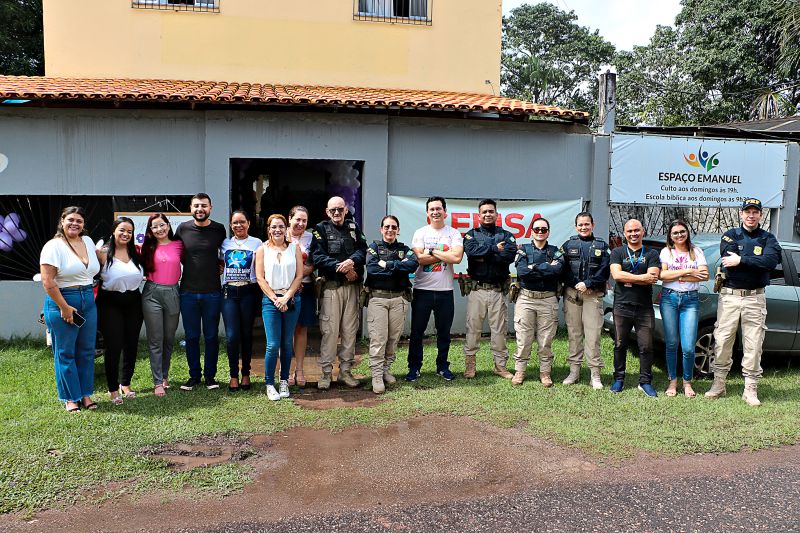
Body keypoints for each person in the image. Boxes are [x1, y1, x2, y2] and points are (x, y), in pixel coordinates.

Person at [706, 198, 781, 406]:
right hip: (730, 297)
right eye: (747, 211)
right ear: (741, 214)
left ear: (760, 215)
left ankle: (750, 389)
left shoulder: (769, 239)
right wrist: (753, 263)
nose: (751, 215)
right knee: (722, 341)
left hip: (755, 298)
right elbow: (727, 259)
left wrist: (742, 260)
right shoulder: (730, 235)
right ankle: (719, 384)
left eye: (755, 212)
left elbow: (771, 262)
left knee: (754, 344)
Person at [39, 206, 101, 412]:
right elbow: (48, 282)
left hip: (88, 299)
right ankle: (70, 397)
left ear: (84, 224)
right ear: (62, 221)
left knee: (86, 351)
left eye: (79, 221)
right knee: (65, 352)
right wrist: (64, 308)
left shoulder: (89, 242)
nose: (75, 224)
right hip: (63, 299)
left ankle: (85, 394)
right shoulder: (53, 246)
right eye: (71, 220)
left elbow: (93, 268)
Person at [310, 196, 368, 390]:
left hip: (352, 288)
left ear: (345, 210)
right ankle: (326, 373)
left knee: (350, 331)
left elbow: (363, 251)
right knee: (330, 331)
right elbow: (317, 257)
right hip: (332, 288)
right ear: (327, 211)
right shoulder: (320, 230)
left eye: (340, 209)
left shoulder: (353, 228)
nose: (337, 213)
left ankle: (345, 371)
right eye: (333, 210)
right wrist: (342, 267)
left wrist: (352, 263)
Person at [407, 196, 464, 381]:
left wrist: (431, 251)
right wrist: (444, 254)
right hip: (422, 290)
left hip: (445, 291)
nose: (435, 212)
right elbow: (420, 260)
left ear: (445, 212)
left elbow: (457, 258)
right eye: (432, 209)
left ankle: (442, 366)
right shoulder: (420, 233)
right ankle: (414, 367)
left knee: (444, 332)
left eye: (438, 209)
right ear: (427, 213)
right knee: (417, 332)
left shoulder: (454, 233)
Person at [176, 193, 227, 391]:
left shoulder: (219, 229)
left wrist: (221, 264)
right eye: (196, 206)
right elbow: (177, 254)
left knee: (212, 336)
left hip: (212, 292)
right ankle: (194, 376)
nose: (200, 209)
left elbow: (225, 252)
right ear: (190, 208)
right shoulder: (182, 229)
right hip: (188, 292)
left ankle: (210, 377)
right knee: (191, 336)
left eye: (204, 206)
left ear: (210, 208)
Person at [462, 199, 517, 379]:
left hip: (497, 290)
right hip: (477, 290)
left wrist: (485, 255)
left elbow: (508, 257)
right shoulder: (471, 235)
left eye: (491, 211)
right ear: (479, 215)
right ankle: (470, 365)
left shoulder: (506, 235)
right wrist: (494, 249)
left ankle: (500, 366)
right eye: (484, 212)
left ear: (496, 214)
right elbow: (471, 253)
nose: (487, 214)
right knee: (473, 329)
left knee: (499, 330)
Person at [365, 216, 418, 393]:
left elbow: (412, 265)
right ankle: (377, 376)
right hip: (378, 299)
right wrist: (398, 267)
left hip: (399, 299)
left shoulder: (404, 249)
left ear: (398, 230)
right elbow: (372, 270)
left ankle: (386, 369)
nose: (390, 230)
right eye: (386, 227)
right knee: (378, 339)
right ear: (381, 229)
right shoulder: (373, 248)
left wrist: (386, 264)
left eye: (393, 227)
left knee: (394, 338)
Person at [609, 219, 661, 397]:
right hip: (622, 305)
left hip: (644, 307)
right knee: (620, 344)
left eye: (636, 230)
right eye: (629, 231)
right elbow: (616, 275)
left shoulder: (652, 253)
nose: (633, 234)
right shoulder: (617, 252)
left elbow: (653, 276)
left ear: (643, 231)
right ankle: (619, 379)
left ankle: (645, 382)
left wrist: (628, 276)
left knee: (646, 346)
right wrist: (641, 278)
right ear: (624, 233)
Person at [96, 216, 144, 405]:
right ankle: (113, 389)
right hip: (109, 303)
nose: (125, 234)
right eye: (122, 230)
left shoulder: (136, 253)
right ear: (114, 231)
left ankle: (126, 383)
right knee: (114, 346)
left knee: (131, 344)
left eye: (129, 231)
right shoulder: (103, 253)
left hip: (133, 301)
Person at [255, 214, 304, 401]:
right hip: (270, 300)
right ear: (269, 229)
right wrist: (276, 299)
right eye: (274, 226)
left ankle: (284, 380)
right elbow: (260, 277)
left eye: (281, 226)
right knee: (273, 344)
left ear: (286, 228)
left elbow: (299, 276)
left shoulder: (294, 248)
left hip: (291, 299)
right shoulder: (262, 250)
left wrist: (287, 297)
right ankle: (269, 384)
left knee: (286, 343)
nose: (278, 230)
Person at [511, 217, 564, 386]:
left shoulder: (556, 251)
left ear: (548, 232)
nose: (540, 232)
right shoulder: (523, 249)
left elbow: (557, 271)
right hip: (526, 298)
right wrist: (546, 267)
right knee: (523, 338)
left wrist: (533, 266)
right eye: (537, 229)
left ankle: (545, 372)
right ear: (531, 231)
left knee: (546, 339)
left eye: (543, 229)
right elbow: (522, 272)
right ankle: (520, 371)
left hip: (548, 299)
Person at [659, 219, 708, 398]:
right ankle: (673, 381)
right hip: (669, 299)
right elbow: (662, 275)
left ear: (687, 232)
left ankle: (687, 382)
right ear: (670, 236)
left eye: (682, 231)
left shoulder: (696, 251)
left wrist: (678, 276)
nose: (679, 235)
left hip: (690, 301)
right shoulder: (666, 252)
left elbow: (704, 275)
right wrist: (687, 273)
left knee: (688, 346)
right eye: (675, 233)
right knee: (672, 343)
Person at [560, 212, 610, 389]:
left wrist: (588, 283)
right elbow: (562, 269)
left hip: (592, 295)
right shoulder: (567, 245)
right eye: (580, 225)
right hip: (572, 294)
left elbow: (604, 271)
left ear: (593, 225)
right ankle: (574, 371)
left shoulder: (602, 246)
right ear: (576, 226)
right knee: (574, 334)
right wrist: (576, 284)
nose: (583, 227)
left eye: (587, 224)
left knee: (593, 335)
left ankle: (595, 374)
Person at [141, 213, 183, 397]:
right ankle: (157, 382)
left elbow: (197, 258)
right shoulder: (147, 247)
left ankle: (165, 375)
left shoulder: (179, 245)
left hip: (173, 292)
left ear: (168, 225)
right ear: (150, 230)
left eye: (161, 225)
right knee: (155, 339)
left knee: (168, 338)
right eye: (154, 227)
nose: (159, 229)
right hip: (152, 293)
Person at [221, 211, 263, 392]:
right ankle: (233, 375)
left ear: (249, 223)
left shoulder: (257, 243)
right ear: (230, 225)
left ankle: (246, 373)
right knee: (232, 337)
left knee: (247, 334)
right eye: (235, 223)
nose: (239, 226)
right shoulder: (224, 244)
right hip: (229, 292)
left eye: (242, 222)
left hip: (249, 291)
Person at [287, 205, 314, 387]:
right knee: (286, 331)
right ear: (290, 219)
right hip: (285, 290)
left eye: (304, 220)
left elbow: (314, 262)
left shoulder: (311, 238)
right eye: (297, 219)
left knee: (301, 329)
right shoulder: (280, 233)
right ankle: (286, 371)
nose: (301, 223)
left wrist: (308, 269)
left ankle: (300, 370)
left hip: (306, 287)